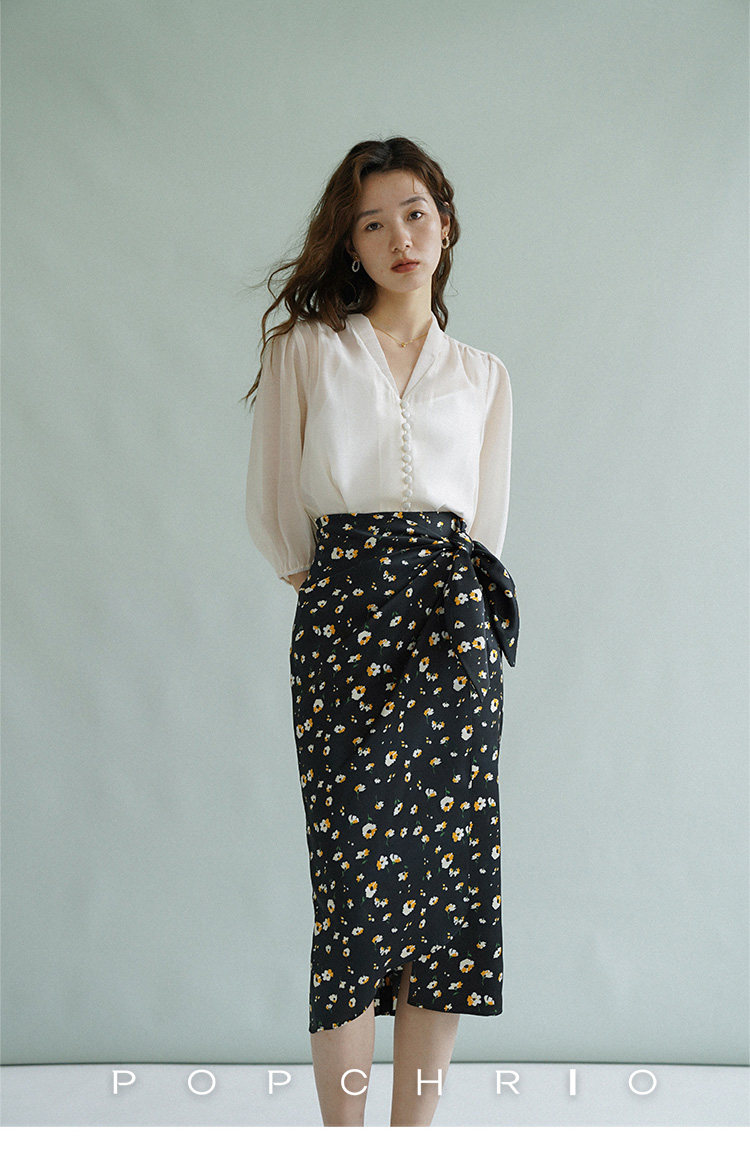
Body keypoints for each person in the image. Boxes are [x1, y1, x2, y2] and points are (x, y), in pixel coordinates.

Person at [243, 136, 519, 1127]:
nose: (399, 237)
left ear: (445, 225)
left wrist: (438, 602)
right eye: (372, 223)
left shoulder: (483, 374)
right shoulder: (305, 350)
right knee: (353, 894)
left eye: (415, 214)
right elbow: (276, 508)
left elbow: (485, 525)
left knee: (444, 888)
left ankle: (412, 1142)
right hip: (344, 617)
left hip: (454, 628)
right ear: (349, 244)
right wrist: (345, 593)